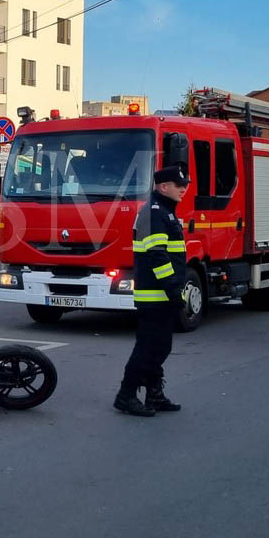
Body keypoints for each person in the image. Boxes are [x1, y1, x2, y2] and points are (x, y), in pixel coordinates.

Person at [113, 164, 189, 417]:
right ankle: (126, 395)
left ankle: (154, 394)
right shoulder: (155, 212)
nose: (184, 189)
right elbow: (157, 255)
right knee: (149, 348)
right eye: (179, 185)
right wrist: (172, 290)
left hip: (161, 294)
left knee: (160, 346)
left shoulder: (164, 211)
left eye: (185, 185)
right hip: (155, 295)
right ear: (163, 187)